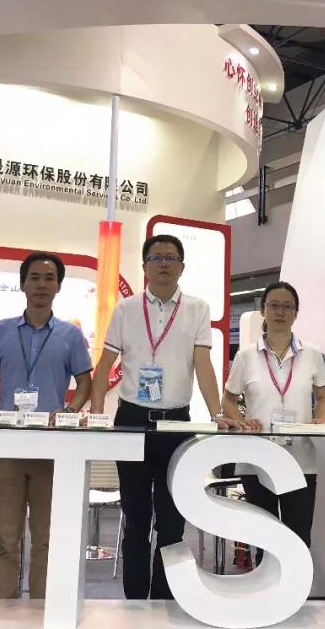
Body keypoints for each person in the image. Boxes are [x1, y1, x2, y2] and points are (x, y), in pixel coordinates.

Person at [90, 234, 227, 600]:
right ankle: (135, 603)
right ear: (144, 266)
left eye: (171, 258)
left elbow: (203, 364)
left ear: (182, 267)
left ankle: (164, 603)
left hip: (176, 424)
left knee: (171, 523)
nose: (164, 263)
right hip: (132, 421)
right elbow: (105, 365)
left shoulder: (197, 308)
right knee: (135, 520)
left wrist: (217, 413)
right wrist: (96, 415)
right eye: (156, 257)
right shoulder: (126, 308)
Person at [0, 251, 92, 599]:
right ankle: (4, 612)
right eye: (34, 277)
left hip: (52, 446)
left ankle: (40, 611)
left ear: (58, 286)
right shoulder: (0, 331)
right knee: (6, 538)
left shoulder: (70, 335)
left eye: (49, 278)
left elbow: (84, 382)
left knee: (46, 538)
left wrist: (70, 409)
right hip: (7, 445)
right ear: (23, 284)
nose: (41, 285)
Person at [222, 281, 325, 558]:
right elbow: (229, 400)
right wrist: (240, 421)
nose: (280, 312)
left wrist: (320, 419)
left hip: (300, 459)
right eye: (274, 306)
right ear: (263, 310)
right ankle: (264, 585)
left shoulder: (312, 355)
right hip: (257, 459)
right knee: (265, 539)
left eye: (287, 307)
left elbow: (323, 397)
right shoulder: (246, 356)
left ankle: (296, 586)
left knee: (298, 538)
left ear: (296, 313)